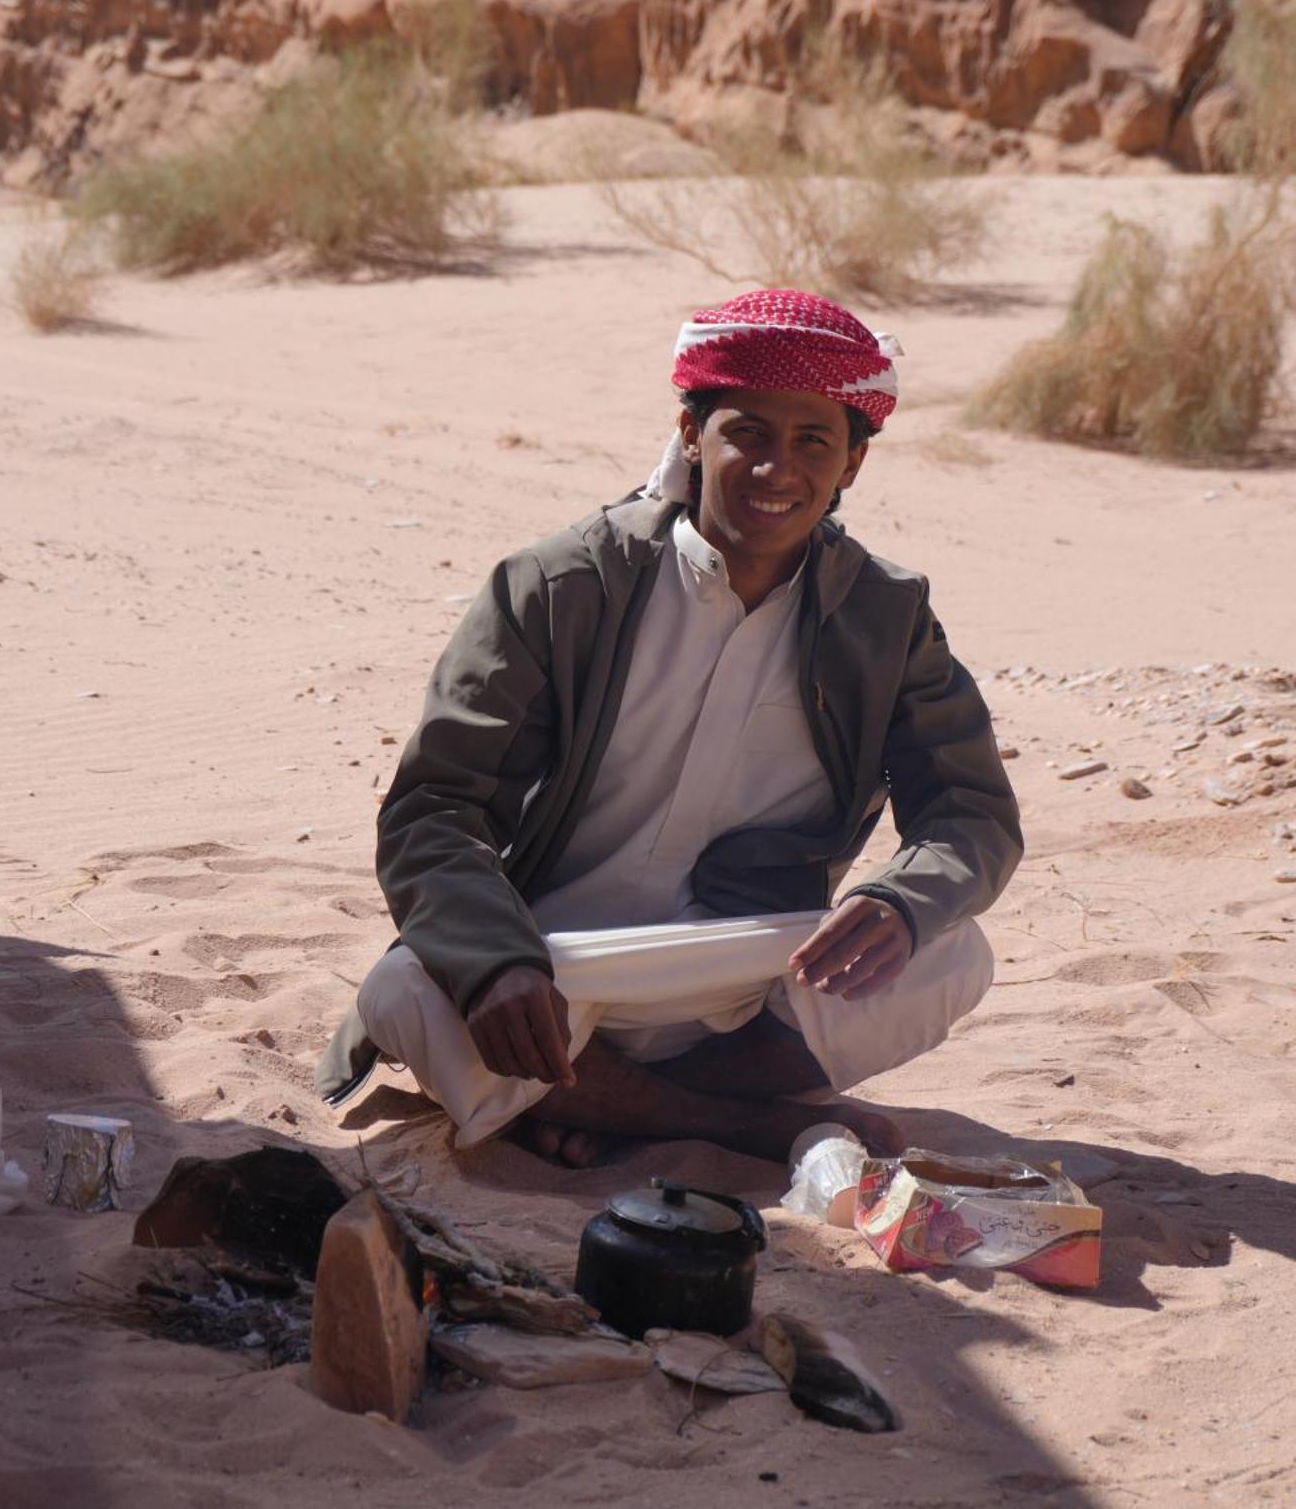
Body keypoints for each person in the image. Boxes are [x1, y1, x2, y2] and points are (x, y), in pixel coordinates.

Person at [317, 289, 1022, 1167]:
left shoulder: (884, 616)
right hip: (555, 968)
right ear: (692, 436)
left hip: (742, 974)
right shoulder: (560, 586)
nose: (777, 469)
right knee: (409, 986)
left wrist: (896, 902)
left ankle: (611, 1107)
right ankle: (727, 1124)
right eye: (748, 434)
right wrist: (497, 964)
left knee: (949, 952)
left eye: (813, 441)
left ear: (852, 465)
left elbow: (972, 813)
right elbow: (435, 811)